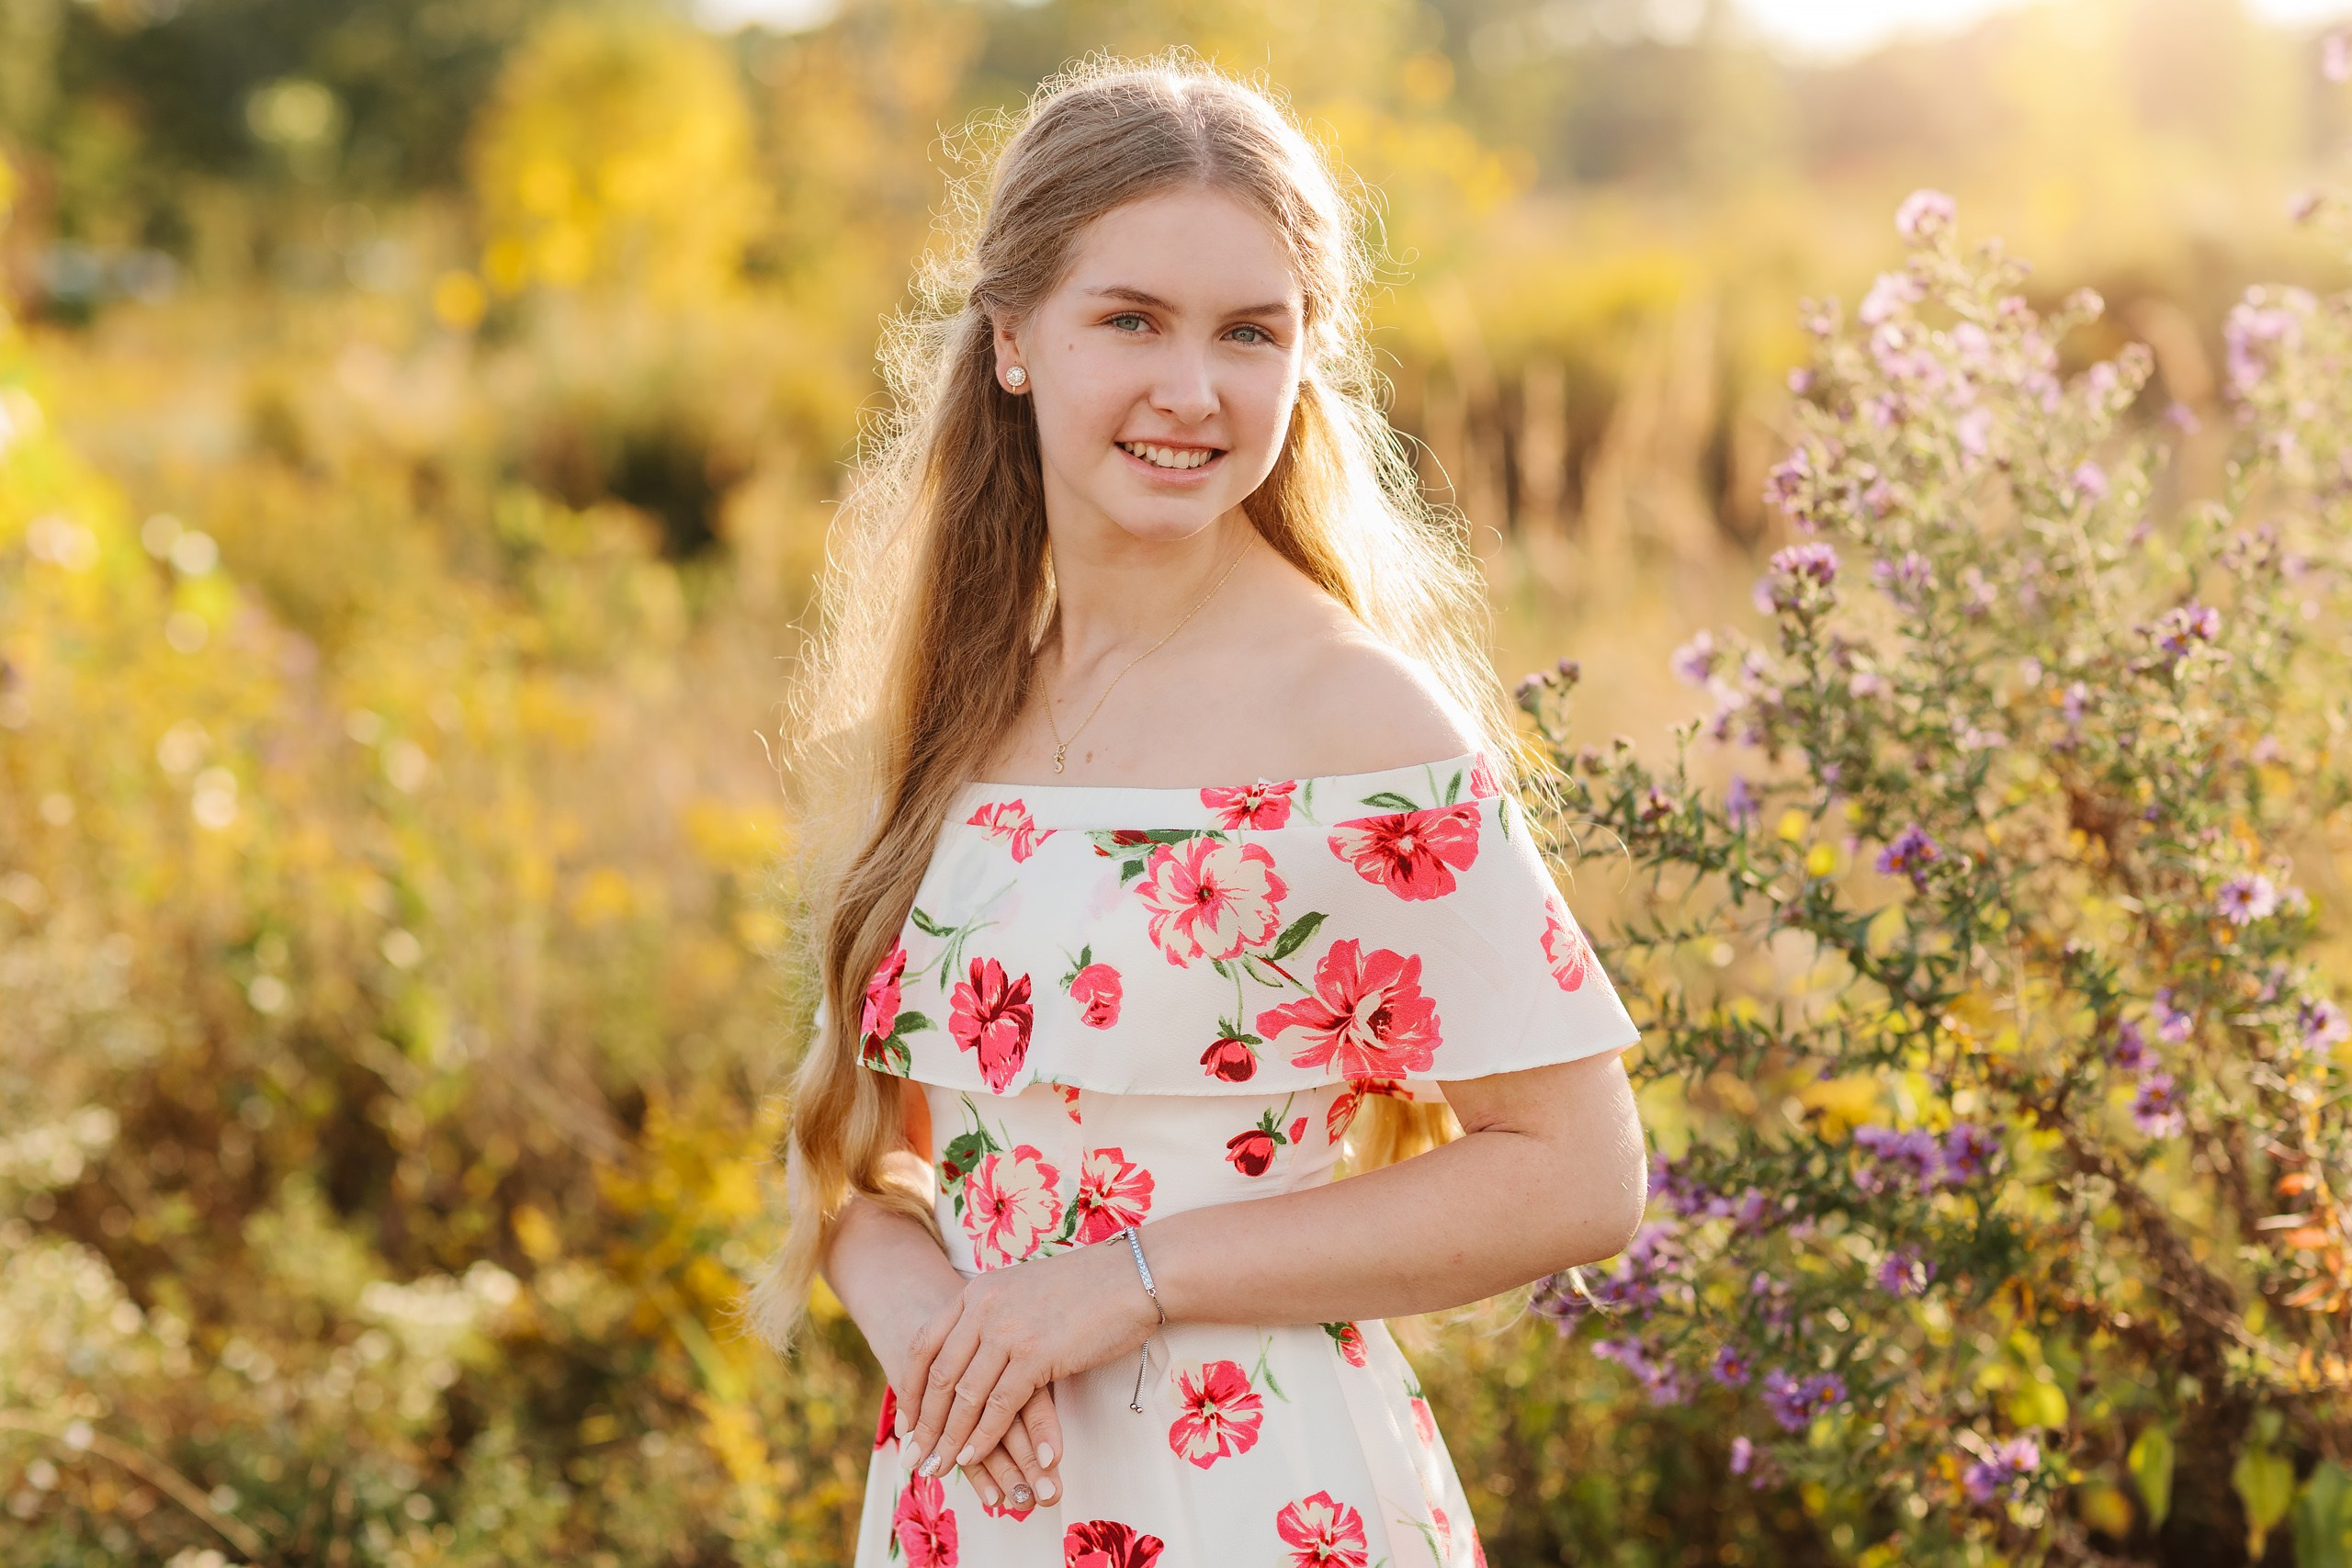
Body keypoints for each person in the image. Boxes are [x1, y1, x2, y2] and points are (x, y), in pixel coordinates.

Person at [748, 52, 1649, 1567]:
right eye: (1132, 320)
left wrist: (1131, 1278)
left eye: (1251, 331)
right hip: (972, 1498)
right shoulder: (959, 703)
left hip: (1255, 1496)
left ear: (1306, 361)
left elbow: (1581, 1171)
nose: (1194, 390)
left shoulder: (1352, 721)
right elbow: (866, 1148)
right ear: (1015, 337)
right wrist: (919, 1312)